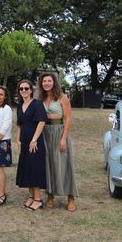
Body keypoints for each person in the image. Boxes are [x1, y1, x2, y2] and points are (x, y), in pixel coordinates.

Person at [38, 72, 78, 212]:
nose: (46, 83)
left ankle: (71, 197)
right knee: (49, 164)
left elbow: (67, 118)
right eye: (44, 81)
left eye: (49, 81)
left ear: (54, 82)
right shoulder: (41, 98)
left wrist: (63, 138)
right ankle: (50, 195)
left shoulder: (62, 97)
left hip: (59, 132)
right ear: (41, 84)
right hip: (45, 133)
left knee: (64, 164)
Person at [14, 79, 47, 211]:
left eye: (26, 88)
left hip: (35, 141)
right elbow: (19, 125)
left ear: (31, 90)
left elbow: (41, 122)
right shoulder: (19, 106)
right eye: (21, 89)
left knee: (34, 168)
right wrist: (17, 139)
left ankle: (38, 199)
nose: (23, 91)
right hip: (24, 140)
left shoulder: (37, 104)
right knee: (26, 167)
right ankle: (31, 197)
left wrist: (34, 140)